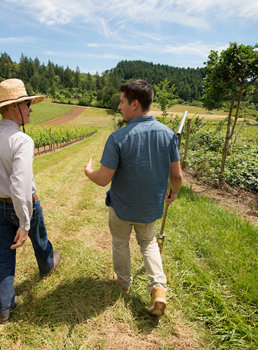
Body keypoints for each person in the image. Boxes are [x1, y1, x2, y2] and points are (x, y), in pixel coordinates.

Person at [84, 79, 183, 316]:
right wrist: (173, 191)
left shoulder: (118, 138)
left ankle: (124, 283)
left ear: (135, 104)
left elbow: (102, 179)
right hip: (150, 209)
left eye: (122, 102)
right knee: (148, 243)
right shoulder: (168, 134)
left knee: (120, 243)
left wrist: (88, 171)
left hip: (121, 208)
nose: (119, 107)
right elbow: (177, 175)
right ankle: (158, 288)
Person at [0, 78, 62, 324]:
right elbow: (21, 184)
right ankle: (47, 266)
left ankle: (5, 306)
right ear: (14, 107)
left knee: (5, 254)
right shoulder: (22, 141)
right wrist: (24, 221)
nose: (30, 109)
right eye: (27, 104)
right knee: (38, 236)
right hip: (22, 204)